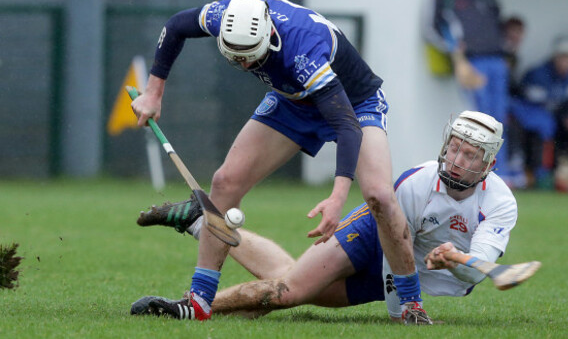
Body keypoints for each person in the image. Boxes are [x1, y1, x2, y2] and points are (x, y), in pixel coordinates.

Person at [129, 0, 430, 323]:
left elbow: (346, 127)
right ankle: (199, 300)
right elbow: (175, 26)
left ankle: (410, 304)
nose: (244, 65)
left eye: (250, 58)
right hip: (294, 101)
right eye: (236, 59)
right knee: (225, 182)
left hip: (357, 105)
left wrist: (337, 197)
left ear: (269, 36)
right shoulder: (224, 17)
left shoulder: (303, 50)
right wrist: (154, 92)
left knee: (380, 196)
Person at [132, 111, 518, 322]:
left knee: (294, 281)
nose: (456, 159)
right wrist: (408, 306)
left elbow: (474, 272)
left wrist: (455, 258)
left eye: (470, 155)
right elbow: (396, 242)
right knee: (292, 291)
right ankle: (190, 307)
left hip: (410, 264)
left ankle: (201, 221)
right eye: (453, 149)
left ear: (489, 163)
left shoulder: (500, 204)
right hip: (376, 235)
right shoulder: (417, 184)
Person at [424, 0, 513, 182]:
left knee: (500, 119)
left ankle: (500, 172)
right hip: (473, 62)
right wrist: (455, 52)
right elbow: (435, 26)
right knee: (481, 120)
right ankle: (480, 173)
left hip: (496, 60)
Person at [509, 38, 568, 188]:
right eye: (562, 57)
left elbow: (567, 102)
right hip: (526, 116)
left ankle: (563, 173)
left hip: (553, 120)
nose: (565, 62)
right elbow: (532, 98)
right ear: (555, 57)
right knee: (544, 125)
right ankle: (540, 174)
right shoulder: (539, 73)